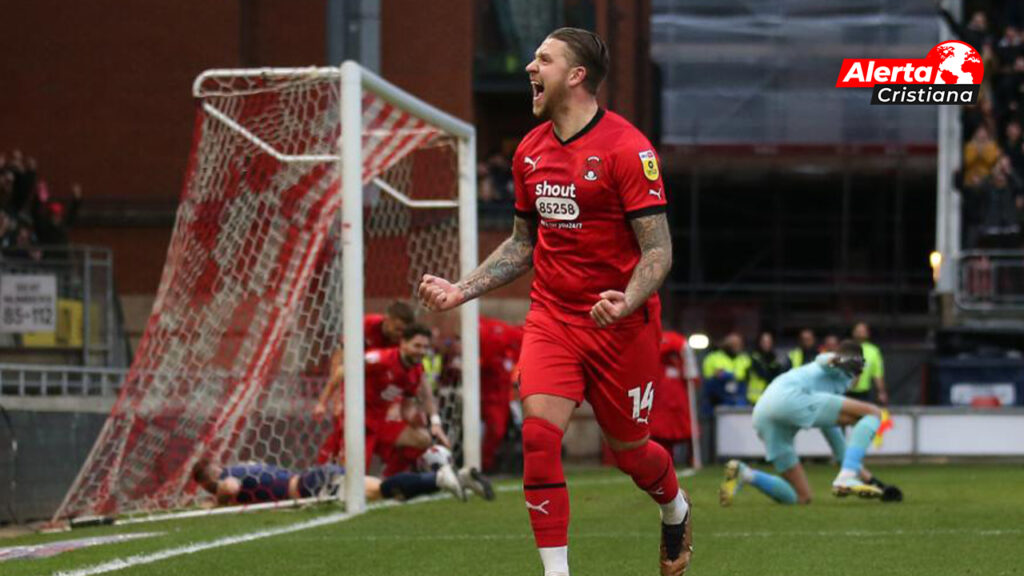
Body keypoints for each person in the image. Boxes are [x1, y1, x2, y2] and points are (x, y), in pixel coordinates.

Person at [417, 27, 691, 576]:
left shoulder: (628, 149)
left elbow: (658, 251)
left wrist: (628, 296)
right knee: (540, 436)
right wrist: (461, 290)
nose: (529, 68)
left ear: (576, 75)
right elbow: (523, 244)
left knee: (632, 454)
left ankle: (675, 508)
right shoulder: (529, 151)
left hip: (622, 326)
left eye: (543, 59)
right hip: (554, 319)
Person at [718, 341, 900, 506]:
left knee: (801, 497)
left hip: (764, 412)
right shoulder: (837, 373)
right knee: (875, 413)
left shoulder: (825, 388)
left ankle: (745, 473)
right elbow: (823, 360)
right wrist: (838, 359)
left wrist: (874, 483)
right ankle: (846, 478)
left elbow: (839, 447)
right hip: (790, 399)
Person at [314, 324, 450, 475]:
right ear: (403, 343)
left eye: (425, 347)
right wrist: (322, 402)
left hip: (382, 419)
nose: (421, 351)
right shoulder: (381, 359)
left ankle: (388, 481)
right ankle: (322, 480)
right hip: (360, 418)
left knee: (423, 439)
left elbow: (407, 407)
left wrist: (415, 418)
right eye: (417, 346)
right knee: (353, 473)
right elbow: (341, 371)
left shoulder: (416, 371)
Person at [190, 456, 492, 506]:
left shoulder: (228, 477)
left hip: (310, 485)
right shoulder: (240, 466)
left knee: (381, 491)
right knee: (383, 488)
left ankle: (440, 477)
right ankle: (458, 478)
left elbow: (229, 489)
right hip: (313, 476)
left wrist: (214, 500)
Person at [480, 316, 524, 472]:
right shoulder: (491, 351)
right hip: (488, 399)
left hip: (506, 399)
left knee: (504, 430)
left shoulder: (511, 355)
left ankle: (492, 463)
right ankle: (485, 464)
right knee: (495, 430)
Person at [649, 330, 699, 466]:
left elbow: (693, 381)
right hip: (661, 407)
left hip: (680, 407)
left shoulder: (682, 368)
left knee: (688, 433)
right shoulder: (658, 366)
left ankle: (692, 459)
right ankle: (664, 461)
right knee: (661, 437)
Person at [848, 322, 887, 405]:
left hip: (864, 394)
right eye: (858, 331)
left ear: (868, 333)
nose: (860, 333)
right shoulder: (846, 348)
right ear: (853, 332)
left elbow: (877, 374)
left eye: (863, 331)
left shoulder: (873, 351)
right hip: (845, 392)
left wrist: (881, 392)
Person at [747, 331, 784, 404]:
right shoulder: (752, 357)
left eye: (769, 342)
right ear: (759, 342)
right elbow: (763, 374)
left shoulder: (775, 359)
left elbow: (779, 377)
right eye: (764, 341)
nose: (766, 344)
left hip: (771, 398)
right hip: (754, 399)